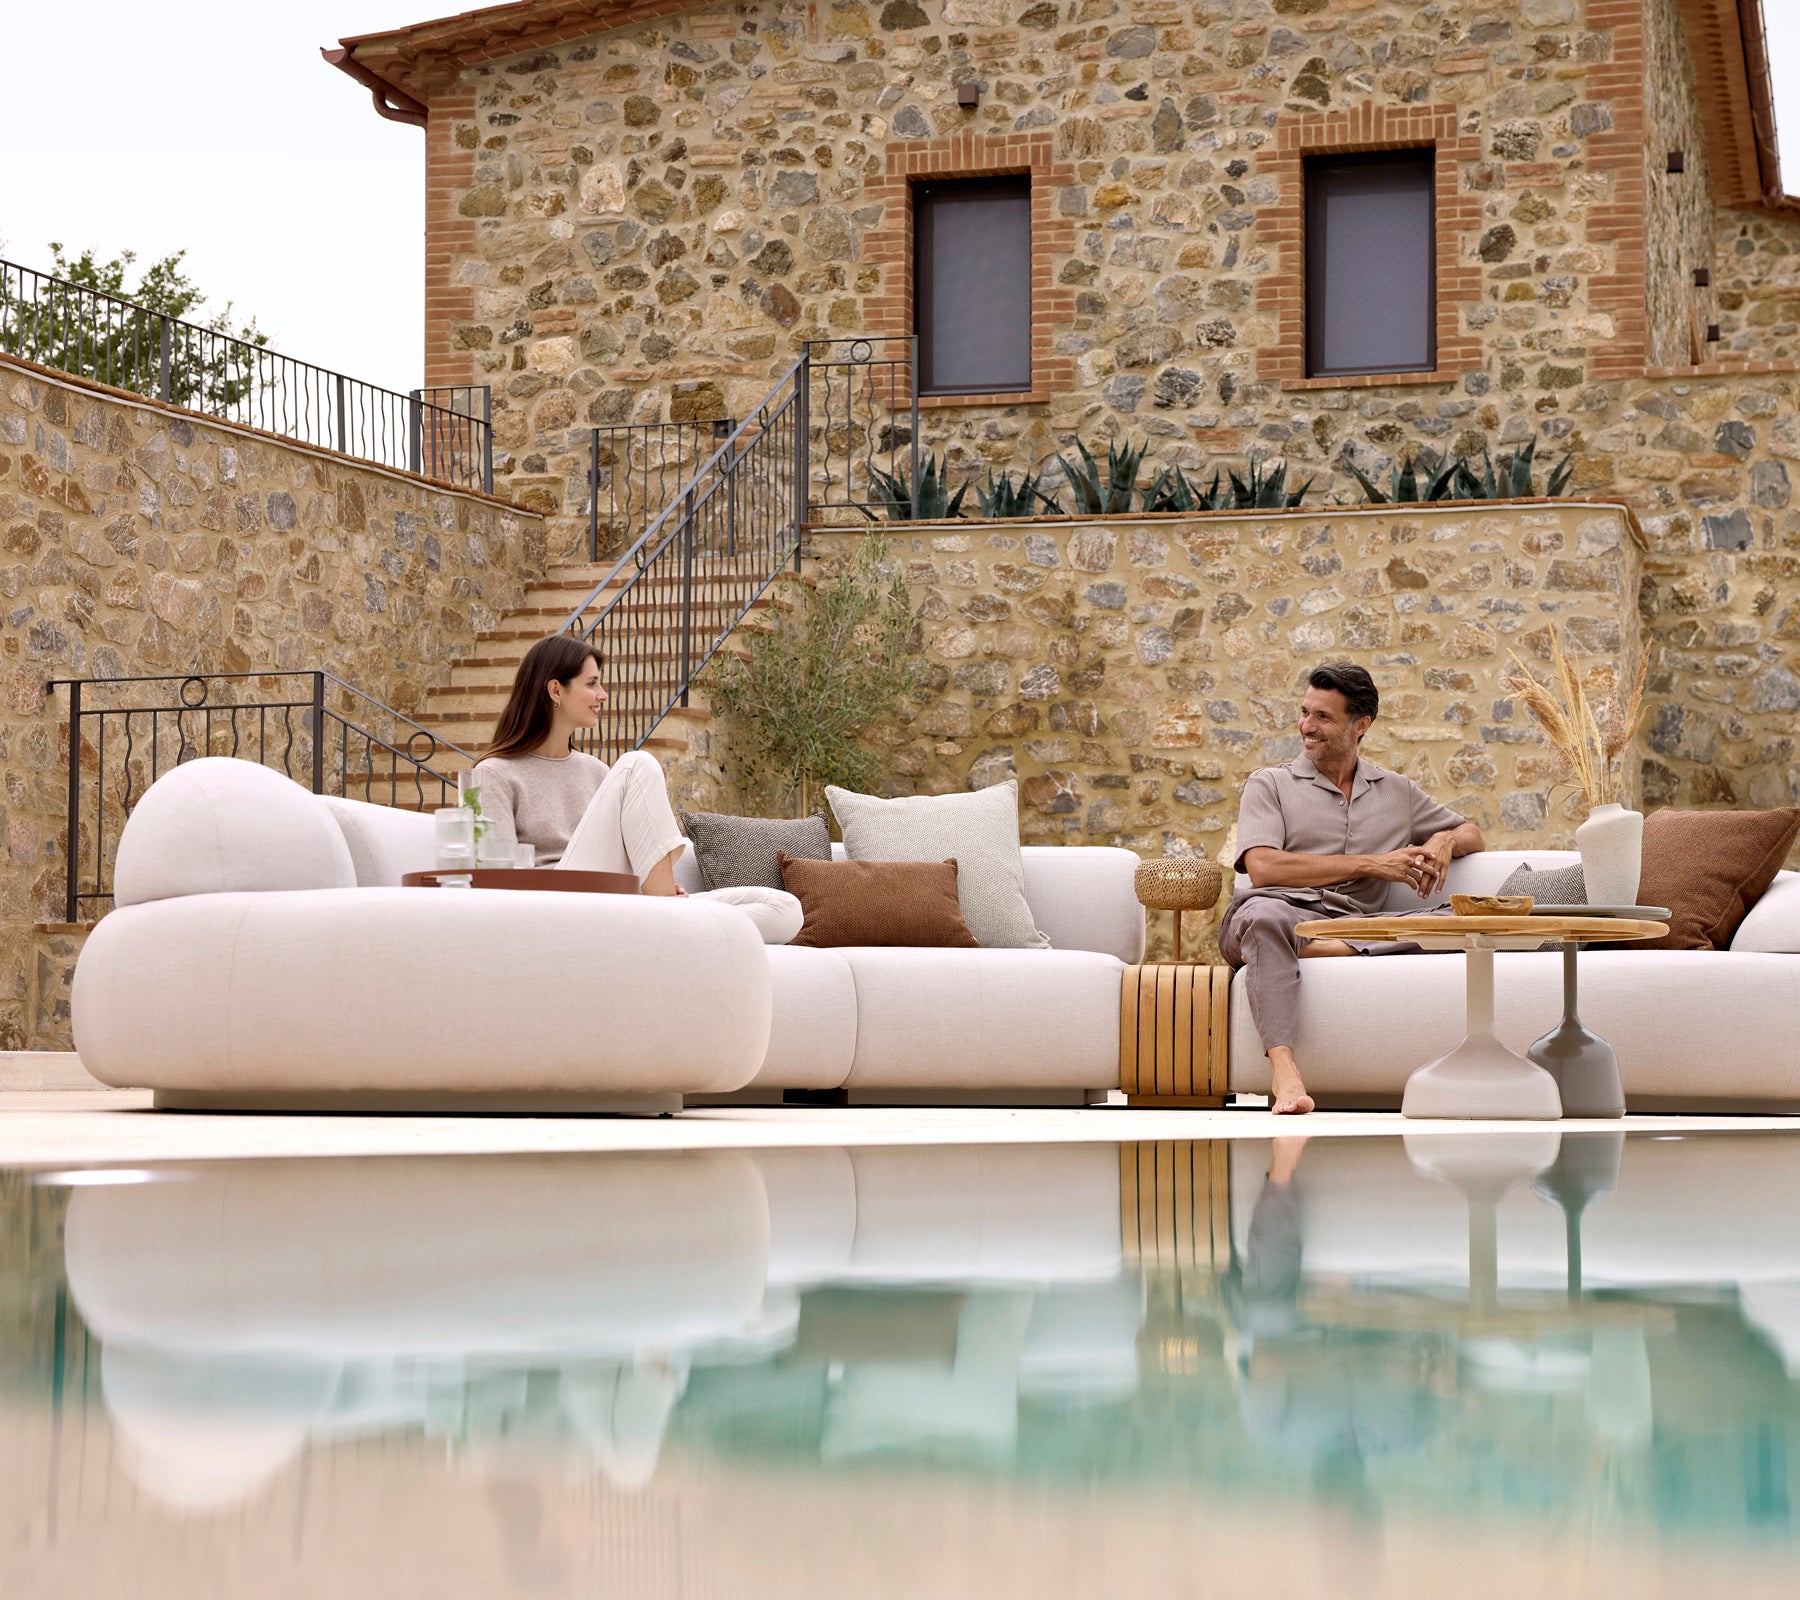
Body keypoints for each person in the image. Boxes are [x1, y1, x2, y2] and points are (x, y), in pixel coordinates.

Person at [1218, 662, 1485, 1116]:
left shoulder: (1396, 792)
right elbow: (1262, 868)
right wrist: (1371, 864)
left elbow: (1472, 833)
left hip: (1355, 924)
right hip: (1275, 911)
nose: (1307, 726)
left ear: (1361, 725)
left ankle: (1313, 948)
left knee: (1462, 919)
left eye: (1323, 717)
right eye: (1305, 712)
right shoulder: (1270, 783)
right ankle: (1284, 1070)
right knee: (1266, 919)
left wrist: (1443, 840)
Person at [472, 634, 802, 943]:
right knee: (637, 763)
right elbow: (498, 882)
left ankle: (665, 923)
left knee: (784, 909)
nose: (603, 694)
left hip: (621, 904)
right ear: (556, 690)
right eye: (592, 683)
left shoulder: (596, 773)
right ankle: (667, 914)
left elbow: (624, 858)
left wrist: (652, 887)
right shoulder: (494, 774)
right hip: (557, 907)